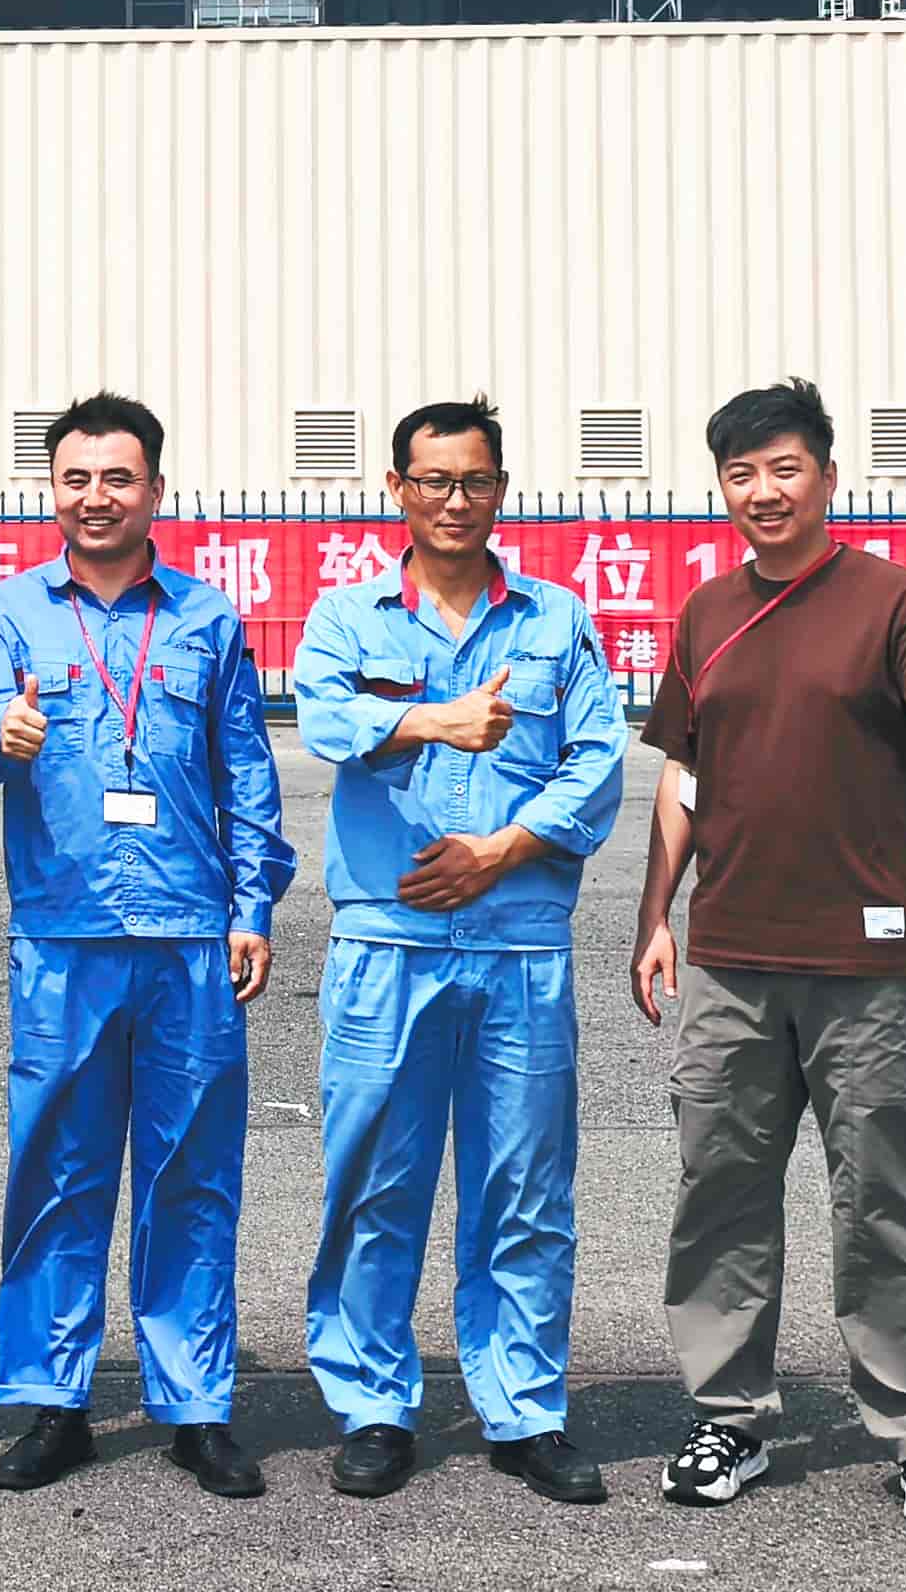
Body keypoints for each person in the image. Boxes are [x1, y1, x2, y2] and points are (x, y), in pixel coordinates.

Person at [631, 379, 906, 1531]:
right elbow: (682, 773)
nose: (762, 490)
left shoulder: (891, 600)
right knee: (720, 1192)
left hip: (863, 960)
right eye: (739, 472)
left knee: (882, 1197)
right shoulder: (705, 612)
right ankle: (727, 1416)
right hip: (731, 957)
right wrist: (654, 913)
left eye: (782, 467)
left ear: (827, 477)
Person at [0, 392, 295, 1499]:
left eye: (117, 478)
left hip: (190, 937)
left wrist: (252, 905)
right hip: (63, 936)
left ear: (155, 490)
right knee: (57, 1169)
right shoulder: (10, 613)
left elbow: (247, 773)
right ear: (52, 490)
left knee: (192, 1173)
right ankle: (54, 1402)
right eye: (76, 479)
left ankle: (194, 1404)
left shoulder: (204, 619)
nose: (95, 497)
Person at [292, 398, 627, 1504]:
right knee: (375, 1182)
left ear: (500, 490)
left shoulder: (554, 618)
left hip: (518, 942)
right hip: (386, 942)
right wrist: (433, 719)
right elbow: (321, 716)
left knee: (524, 1187)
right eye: (431, 479)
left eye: (473, 480)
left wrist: (501, 850)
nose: (453, 500)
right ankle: (373, 1405)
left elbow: (597, 757)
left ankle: (524, 1409)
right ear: (395, 487)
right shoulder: (348, 616)